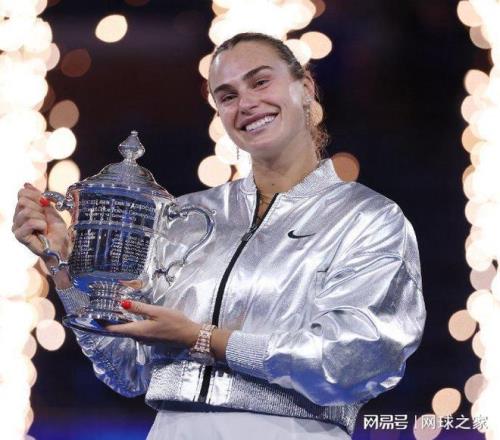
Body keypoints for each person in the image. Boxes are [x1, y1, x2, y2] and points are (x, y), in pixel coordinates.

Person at [13, 32, 426, 439]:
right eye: (227, 96)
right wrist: (63, 267)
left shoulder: (368, 218)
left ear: (305, 88)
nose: (246, 103)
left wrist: (203, 339)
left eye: (260, 81)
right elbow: (127, 371)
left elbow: (355, 359)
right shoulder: (186, 216)